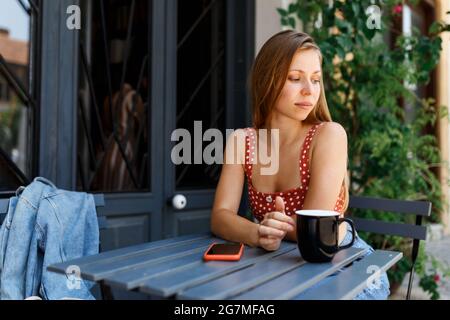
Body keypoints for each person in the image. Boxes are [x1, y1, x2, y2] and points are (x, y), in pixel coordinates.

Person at [210, 30, 390, 300]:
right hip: (280, 267)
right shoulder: (242, 141)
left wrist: (269, 230)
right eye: (295, 78)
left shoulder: (328, 135)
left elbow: (314, 231)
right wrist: (258, 232)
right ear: (267, 80)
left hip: (341, 266)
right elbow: (220, 216)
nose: (309, 90)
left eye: (316, 80)